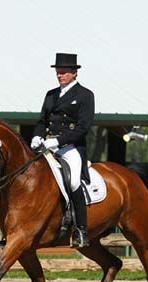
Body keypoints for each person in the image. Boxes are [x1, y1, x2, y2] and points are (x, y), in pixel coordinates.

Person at [29, 52, 95, 248]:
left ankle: (81, 230)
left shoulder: (85, 95)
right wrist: (37, 136)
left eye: (64, 71)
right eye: (58, 71)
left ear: (74, 73)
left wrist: (57, 142)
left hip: (70, 148)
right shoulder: (51, 95)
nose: (60, 75)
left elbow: (84, 127)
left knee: (73, 181)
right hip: (48, 146)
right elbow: (42, 121)